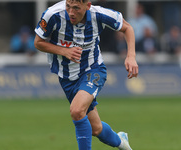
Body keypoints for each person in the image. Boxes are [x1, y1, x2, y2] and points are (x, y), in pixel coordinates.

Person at [34, 0, 138, 150]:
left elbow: (127, 28)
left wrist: (131, 56)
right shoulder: (52, 14)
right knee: (96, 129)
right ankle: (122, 142)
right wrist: (64, 51)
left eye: (76, 8)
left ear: (87, 6)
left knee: (77, 111)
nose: (71, 12)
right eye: (68, 7)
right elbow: (38, 42)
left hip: (92, 69)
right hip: (66, 77)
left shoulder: (99, 14)